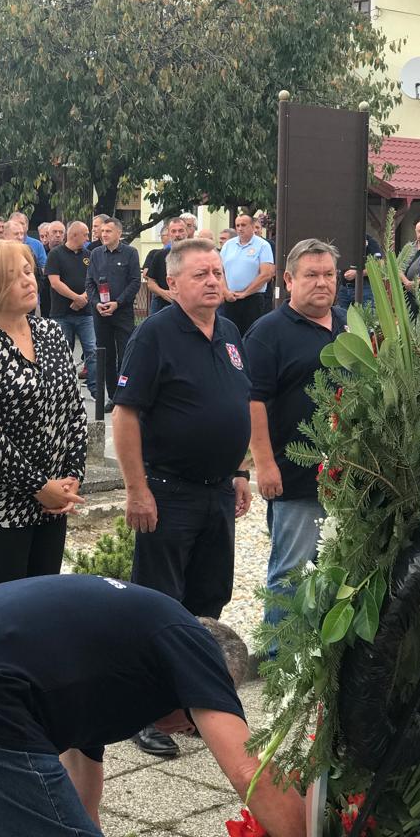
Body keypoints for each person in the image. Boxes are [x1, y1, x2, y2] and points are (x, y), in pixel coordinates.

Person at [0, 575, 305, 837]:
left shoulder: (123, 660)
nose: (191, 730)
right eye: (197, 718)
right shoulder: (192, 641)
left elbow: (78, 787)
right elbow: (248, 771)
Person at [112, 237, 254, 757]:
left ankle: (194, 705)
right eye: (201, 274)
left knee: (208, 601)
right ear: (172, 283)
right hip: (168, 493)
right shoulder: (154, 335)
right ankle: (145, 712)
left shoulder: (229, 332)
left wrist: (240, 470)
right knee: (158, 606)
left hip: (218, 494)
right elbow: (125, 414)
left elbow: (236, 404)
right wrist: (137, 489)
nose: (213, 281)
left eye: (217, 272)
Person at [0, 241, 86, 593]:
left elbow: (74, 409)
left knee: (43, 606)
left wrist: (72, 476)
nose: (28, 281)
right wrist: (38, 486)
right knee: (1, 612)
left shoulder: (50, 332)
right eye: (13, 276)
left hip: (53, 503)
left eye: (28, 271)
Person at [243, 238, 347, 628]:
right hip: (295, 474)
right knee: (292, 573)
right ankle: (279, 653)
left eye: (329, 274)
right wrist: (264, 464)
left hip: (349, 477)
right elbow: (253, 401)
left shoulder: (348, 326)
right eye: (311, 275)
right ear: (288, 280)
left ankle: (322, 653)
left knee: (336, 572)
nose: (322, 282)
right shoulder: (267, 333)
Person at [86, 217, 140, 412]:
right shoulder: (96, 254)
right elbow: (89, 283)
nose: (104, 234)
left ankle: (126, 396)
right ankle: (113, 396)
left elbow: (135, 282)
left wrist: (118, 303)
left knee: (125, 354)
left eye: (108, 231)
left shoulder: (130, 253)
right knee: (105, 355)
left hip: (122, 312)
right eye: (102, 231)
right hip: (101, 313)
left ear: (119, 233)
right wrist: (96, 303)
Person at [46, 221, 97, 398]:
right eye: (85, 234)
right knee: (62, 353)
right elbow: (54, 282)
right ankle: (66, 392)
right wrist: (75, 297)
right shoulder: (55, 254)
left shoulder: (89, 255)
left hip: (86, 314)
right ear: (74, 235)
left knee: (92, 350)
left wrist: (84, 298)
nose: (88, 238)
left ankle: (96, 391)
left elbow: (94, 280)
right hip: (61, 313)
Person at [220, 212, 275, 336]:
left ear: (252, 226)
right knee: (230, 335)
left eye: (243, 225)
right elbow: (219, 271)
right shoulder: (228, 245)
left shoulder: (263, 245)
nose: (240, 228)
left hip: (253, 299)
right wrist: (225, 291)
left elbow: (266, 274)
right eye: (237, 225)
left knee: (251, 335)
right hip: (231, 299)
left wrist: (245, 293)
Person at [145, 217, 188, 314]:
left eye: (181, 230)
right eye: (173, 231)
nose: (177, 235)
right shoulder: (160, 256)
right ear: (169, 234)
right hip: (162, 306)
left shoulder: (196, 255)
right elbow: (151, 283)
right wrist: (163, 293)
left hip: (189, 306)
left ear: (187, 232)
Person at [337, 233, 382, 310]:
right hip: (344, 288)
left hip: (364, 288)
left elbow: (379, 265)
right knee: (342, 315)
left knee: (366, 315)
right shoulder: (344, 240)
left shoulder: (370, 241)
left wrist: (357, 273)